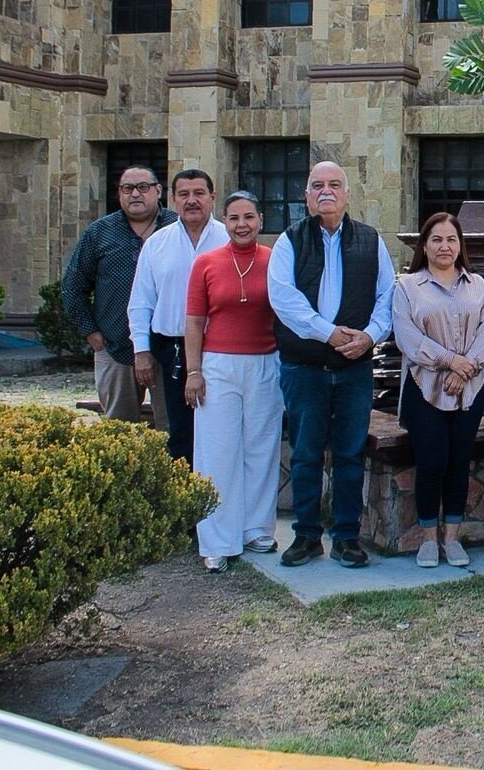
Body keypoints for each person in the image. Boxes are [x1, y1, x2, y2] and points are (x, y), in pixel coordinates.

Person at [268, 161, 396, 569]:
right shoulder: (289, 241)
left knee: (349, 454)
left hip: (354, 370)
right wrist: (329, 334)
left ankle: (346, 538)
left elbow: (387, 297)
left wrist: (369, 337)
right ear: (307, 196)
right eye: (317, 185)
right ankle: (306, 535)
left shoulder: (370, 240)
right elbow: (283, 299)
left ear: (347, 194)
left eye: (335, 185)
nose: (326, 191)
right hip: (304, 368)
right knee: (305, 453)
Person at [183, 192, 283, 574]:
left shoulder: (275, 261)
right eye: (234, 218)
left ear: (261, 220)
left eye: (249, 217)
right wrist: (194, 371)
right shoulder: (206, 263)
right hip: (218, 366)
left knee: (261, 448)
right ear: (224, 221)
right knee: (217, 452)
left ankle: (256, 529)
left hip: (265, 363)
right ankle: (217, 541)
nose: (242, 225)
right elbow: (194, 322)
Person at [392, 213, 484, 569]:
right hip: (424, 387)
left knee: (458, 462)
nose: (444, 246)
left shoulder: (478, 286)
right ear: (424, 244)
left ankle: (452, 538)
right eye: (436, 239)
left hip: (469, 389)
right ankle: (427, 539)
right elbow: (407, 337)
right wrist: (451, 362)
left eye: (451, 239)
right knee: (432, 462)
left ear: (460, 245)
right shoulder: (407, 287)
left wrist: (465, 371)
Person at [62, 165, 175, 425]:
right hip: (114, 345)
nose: (135, 194)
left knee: (173, 429)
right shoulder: (100, 232)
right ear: (119, 194)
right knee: (118, 428)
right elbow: (73, 286)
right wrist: (90, 331)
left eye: (143, 187)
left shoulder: (175, 228)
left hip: (169, 347)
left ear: (158, 191)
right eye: (128, 188)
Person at [128, 169, 227, 462]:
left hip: (220, 349)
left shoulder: (228, 239)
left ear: (212, 196)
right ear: (173, 199)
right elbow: (141, 302)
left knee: (217, 428)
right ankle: (183, 487)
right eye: (184, 194)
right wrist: (141, 351)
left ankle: (216, 488)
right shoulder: (157, 244)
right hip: (172, 349)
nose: (191, 200)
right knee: (177, 430)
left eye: (199, 193)